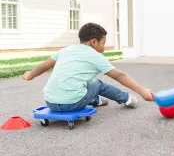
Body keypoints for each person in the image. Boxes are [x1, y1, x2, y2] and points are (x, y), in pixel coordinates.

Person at [22, 22, 154, 111]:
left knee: (82, 83)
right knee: (98, 84)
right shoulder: (96, 57)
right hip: (72, 104)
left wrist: (30, 75)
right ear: (94, 42)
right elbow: (120, 76)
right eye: (104, 43)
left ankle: (95, 100)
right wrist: (142, 90)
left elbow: (44, 65)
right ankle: (128, 99)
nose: (105, 46)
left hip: (50, 102)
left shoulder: (66, 50)